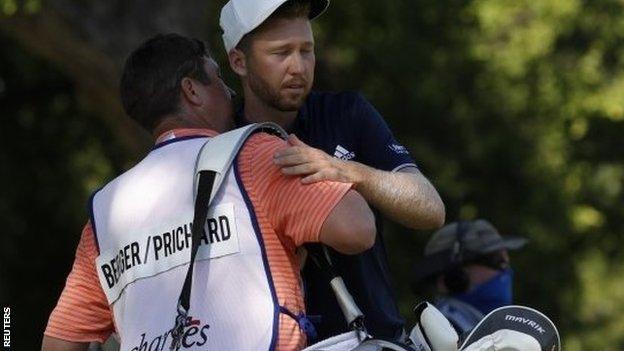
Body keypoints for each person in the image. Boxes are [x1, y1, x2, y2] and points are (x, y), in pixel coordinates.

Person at [41, 33, 378, 351]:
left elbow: (59, 341)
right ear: (192, 90)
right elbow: (357, 230)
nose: (230, 93)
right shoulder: (253, 154)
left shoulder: (105, 212)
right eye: (217, 79)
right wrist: (335, 168)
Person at [219, 0, 446, 342]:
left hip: (374, 340)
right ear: (238, 61)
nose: (298, 67)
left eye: (306, 50)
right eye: (281, 53)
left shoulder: (345, 112)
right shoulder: (221, 144)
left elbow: (430, 209)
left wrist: (347, 171)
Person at [412, 219, 528, 336]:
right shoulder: (439, 337)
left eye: (506, 263)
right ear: (454, 277)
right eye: (497, 261)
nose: (505, 271)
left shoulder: (491, 330)